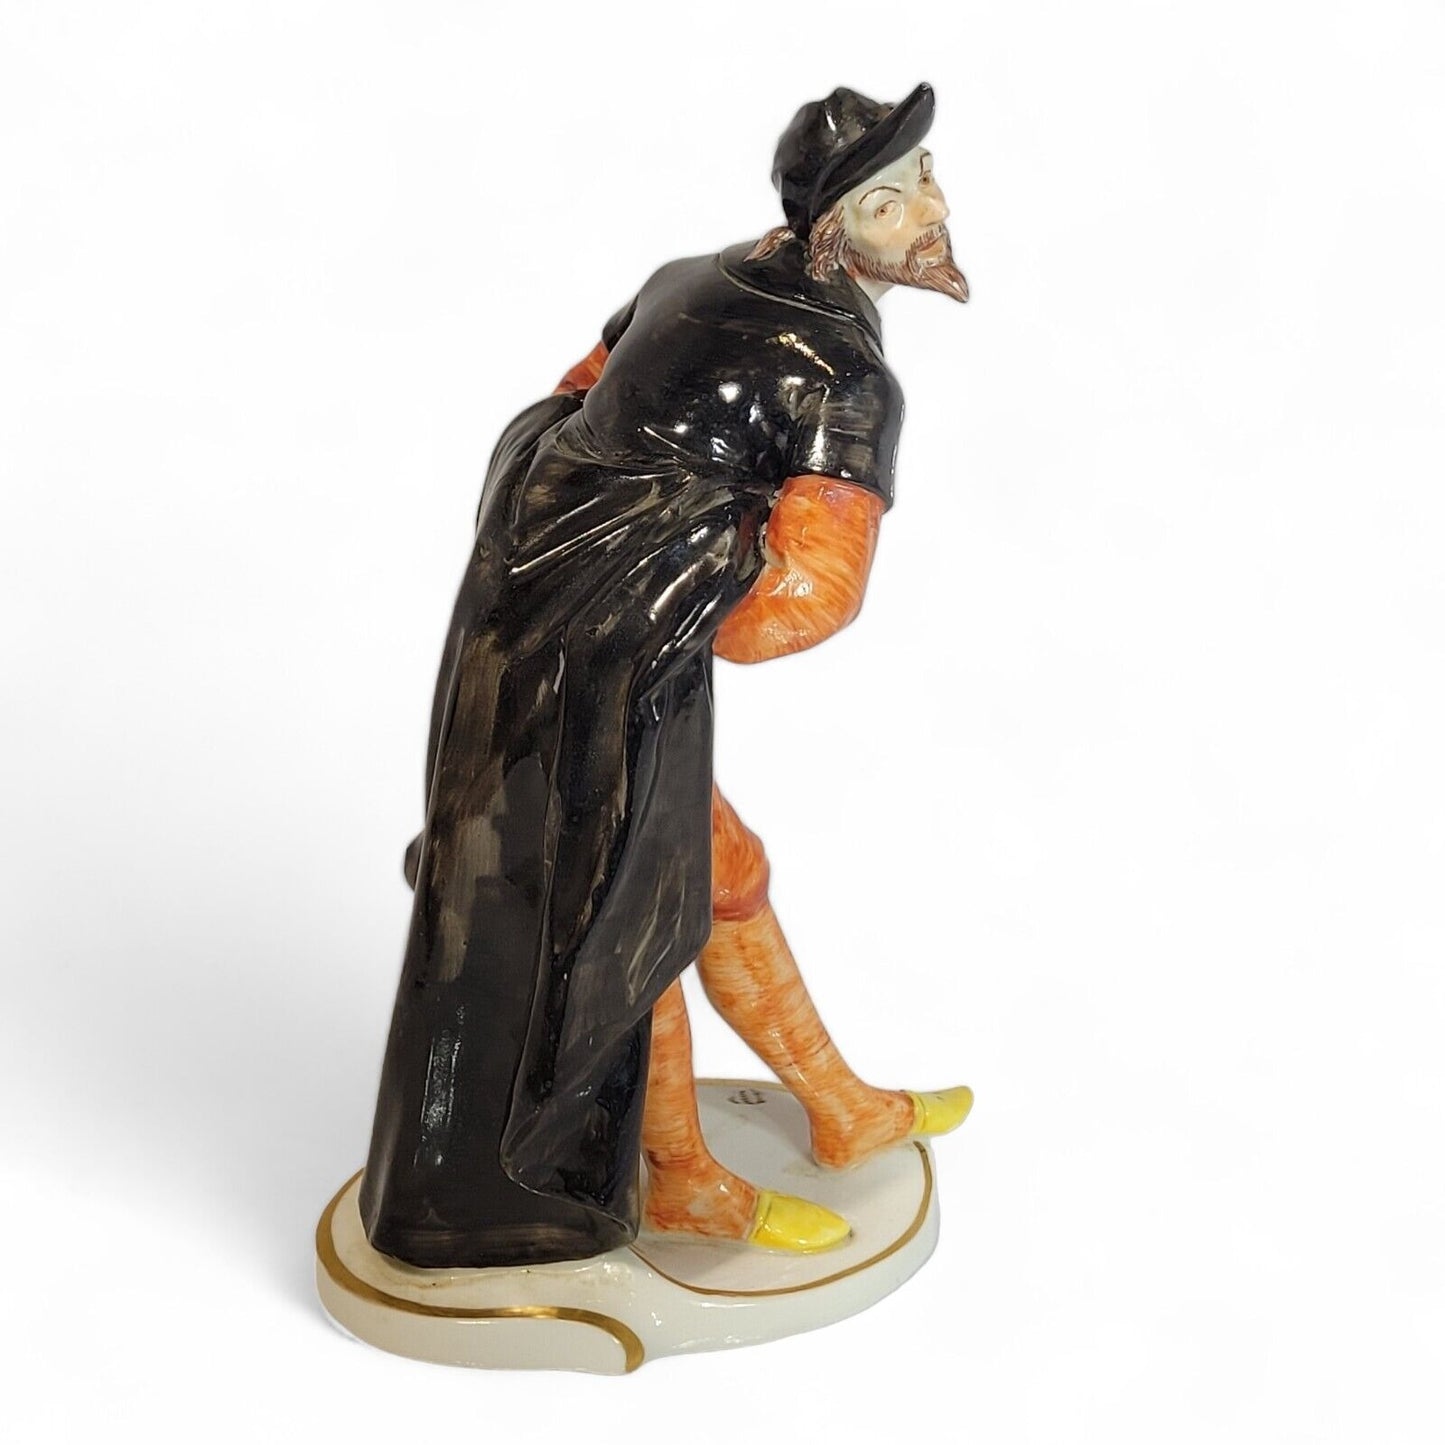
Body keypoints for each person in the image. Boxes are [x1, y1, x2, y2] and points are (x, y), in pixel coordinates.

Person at [360, 84, 972, 1270]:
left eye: (927, 176)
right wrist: (679, 579)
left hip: (527, 613)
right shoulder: (843, 376)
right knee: (626, 912)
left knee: (715, 866)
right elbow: (808, 599)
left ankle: (842, 1107)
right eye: (893, 199)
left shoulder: (692, 274)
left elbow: (573, 391)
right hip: (608, 651)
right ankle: (683, 1180)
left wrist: (626, 547)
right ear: (831, 232)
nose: (931, 210)